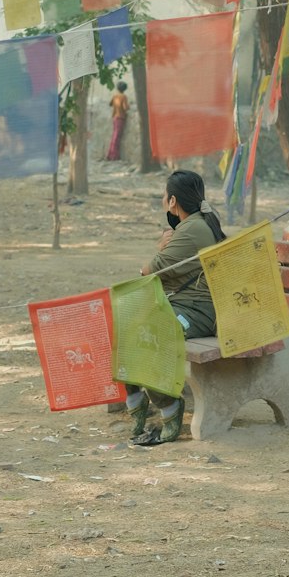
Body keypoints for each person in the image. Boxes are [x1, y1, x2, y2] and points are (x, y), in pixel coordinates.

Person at [126, 169, 226, 448]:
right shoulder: (194, 224)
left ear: (172, 201)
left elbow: (154, 270)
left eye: (163, 196)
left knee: (147, 332)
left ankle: (169, 407)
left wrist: (155, 254)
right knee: (129, 324)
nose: (162, 201)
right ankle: (137, 403)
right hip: (187, 307)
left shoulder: (193, 228)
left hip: (199, 314)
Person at [106, 81, 129, 161]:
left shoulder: (115, 96)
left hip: (115, 117)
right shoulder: (123, 97)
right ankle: (114, 156)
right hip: (121, 117)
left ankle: (110, 155)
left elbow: (110, 104)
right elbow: (125, 107)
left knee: (114, 136)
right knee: (117, 137)